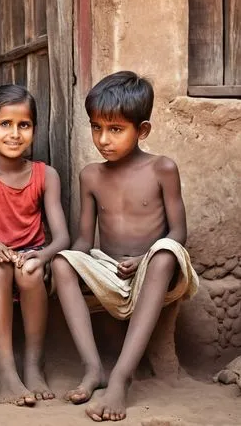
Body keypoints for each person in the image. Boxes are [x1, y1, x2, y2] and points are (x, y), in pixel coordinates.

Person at [51, 71, 198, 421]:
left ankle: (119, 378)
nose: (103, 139)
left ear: (142, 130)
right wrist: (70, 264)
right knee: (61, 262)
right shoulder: (90, 175)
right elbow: (85, 240)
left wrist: (146, 256)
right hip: (110, 269)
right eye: (96, 127)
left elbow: (178, 232)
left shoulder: (162, 168)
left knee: (164, 254)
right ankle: (93, 368)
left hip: (156, 270)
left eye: (115, 129)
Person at [0, 84, 70, 406]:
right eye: (5, 124)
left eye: (24, 125)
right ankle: (4, 369)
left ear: (34, 129)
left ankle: (34, 364)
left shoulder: (45, 175)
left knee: (30, 271)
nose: (15, 134)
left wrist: (41, 255)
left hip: (29, 265)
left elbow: (62, 238)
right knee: (1, 265)